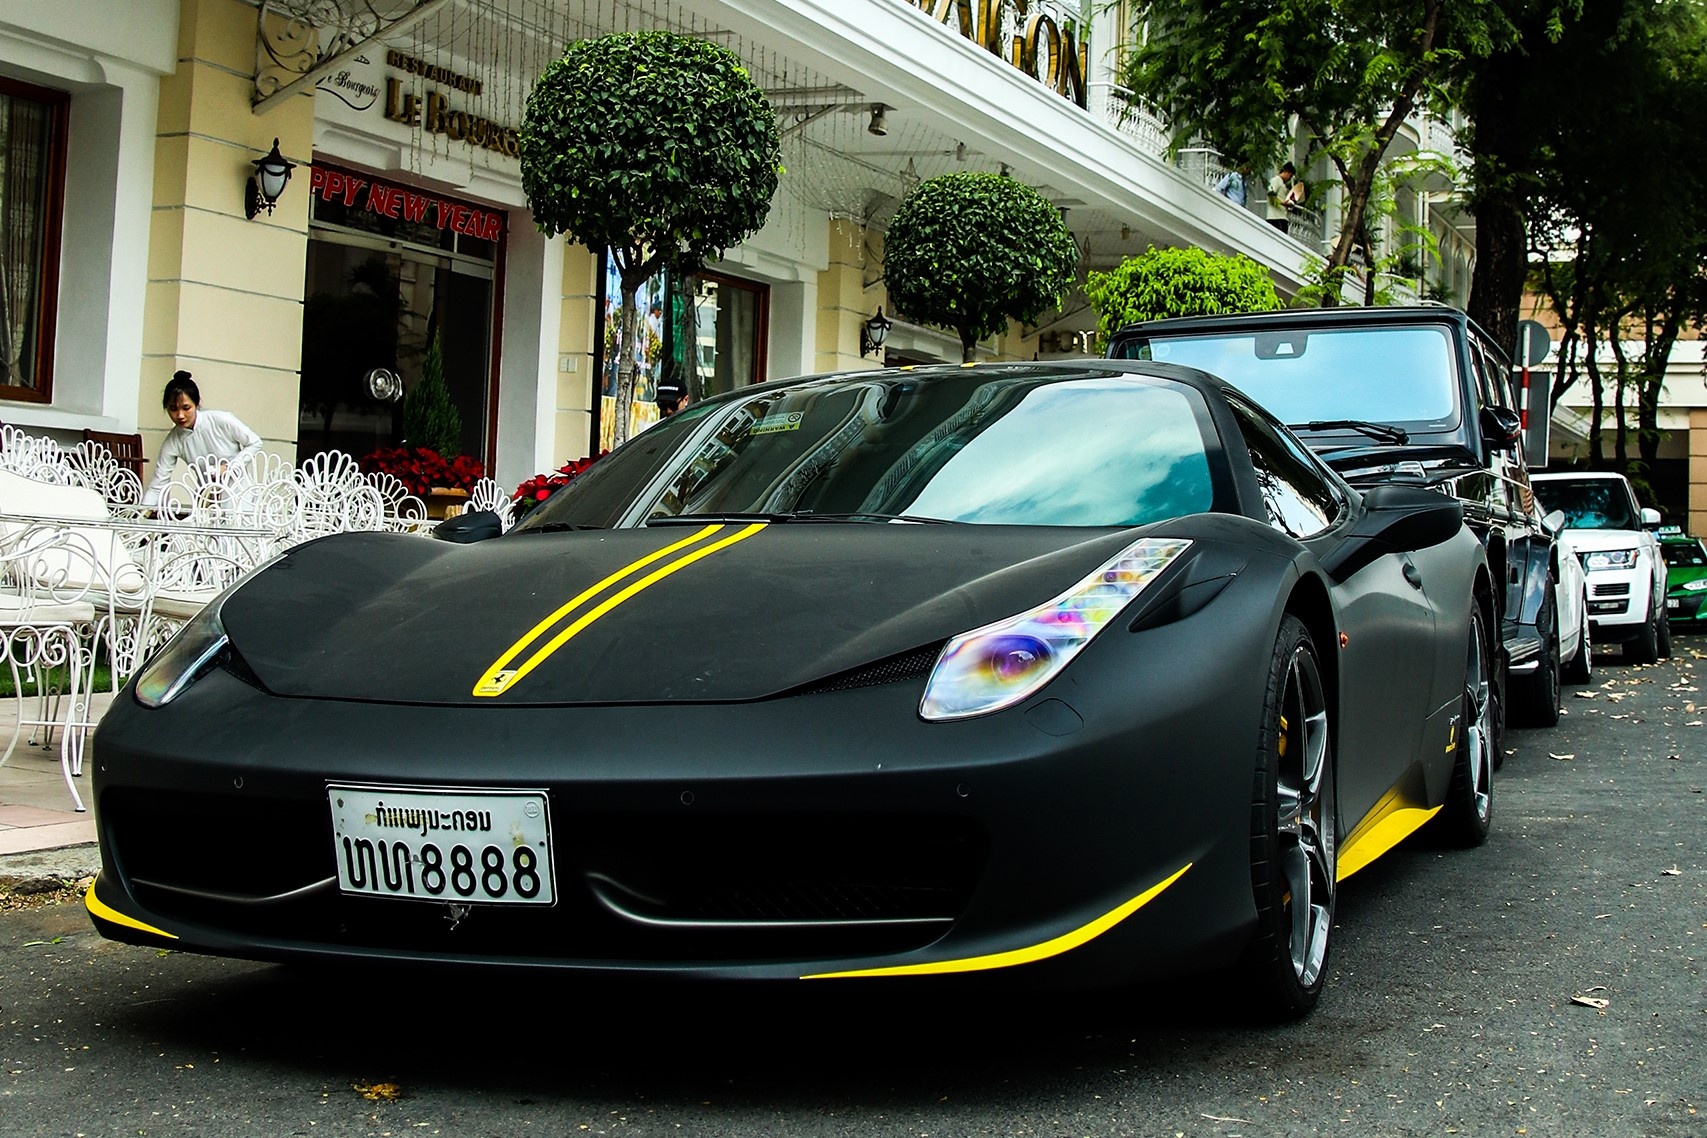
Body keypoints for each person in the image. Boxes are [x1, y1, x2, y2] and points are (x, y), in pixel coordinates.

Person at [141, 371, 263, 507]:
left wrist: (229, 467)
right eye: (173, 409)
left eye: (186, 408)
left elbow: (255, 442)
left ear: (197, 403)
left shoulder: (221, 420)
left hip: (239, 495)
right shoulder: (174, 440)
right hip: (206, 499)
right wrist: (140, 514)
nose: (180, 415)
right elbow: (157, 485)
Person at [1266, 162, 1299, 233]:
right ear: (1286, 172)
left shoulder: (1282, 183)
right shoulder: (1276, 180)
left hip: (1281, 217)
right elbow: (1270, 196)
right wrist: (1283, 203)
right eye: (1290, 176)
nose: (1290, 179)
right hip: (1276, 218)